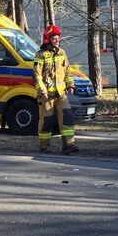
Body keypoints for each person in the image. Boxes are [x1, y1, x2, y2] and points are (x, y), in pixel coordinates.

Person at [33, 24, 78, 154]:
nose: (57, 40)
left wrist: (70, 85)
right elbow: (37, 75)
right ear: (47, 39)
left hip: (61, 94)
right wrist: (42, 91)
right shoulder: (41, 55)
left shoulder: (62, 53)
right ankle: (44, 147)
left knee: (67, 119)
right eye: (54, 38)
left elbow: (67, 71)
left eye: (58, 38)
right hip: (47, 95)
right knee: (46, 122)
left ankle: (69, 145)